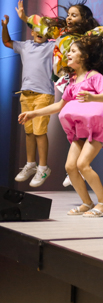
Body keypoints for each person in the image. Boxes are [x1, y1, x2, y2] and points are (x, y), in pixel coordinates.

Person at [18, 34, 103, 216]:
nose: (68, 54)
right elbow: (59, 106)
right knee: (70, 167)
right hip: (81, 130)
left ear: (83, 56)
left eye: (73, 51)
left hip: (98, 129)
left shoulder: (94, 76)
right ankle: (87, 202)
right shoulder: (71, 83)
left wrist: (93, 97)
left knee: (83, 164)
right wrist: (33, 113)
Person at [2, 14, 55, 187]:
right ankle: (31, 164)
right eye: (37, 29)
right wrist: (5, 26)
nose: (40, 33)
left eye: (44, 30)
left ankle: (43, 167)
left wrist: (25, 17)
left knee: (40, 132)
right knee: (29, 132)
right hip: (25, 94)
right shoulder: (25, 46)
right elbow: (7, 42)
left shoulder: (52, 46)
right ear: (32, 32)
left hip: (43, 94)